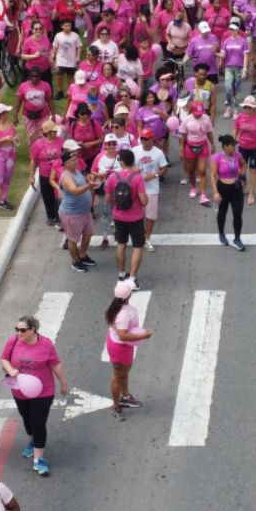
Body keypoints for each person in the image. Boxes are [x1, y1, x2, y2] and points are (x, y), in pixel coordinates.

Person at [0, 315, 69, 477]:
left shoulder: (45, 344)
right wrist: (11, 371)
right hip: (20, 390)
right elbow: (4, 359)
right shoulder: (14, 341)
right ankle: (33, 440)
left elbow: (55, 363)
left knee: (38, 423)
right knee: (28, 420)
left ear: (33, 329)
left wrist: (63, 382)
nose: (19, 332)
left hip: (43, 391)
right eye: (17, 329)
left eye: (23, 330)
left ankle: (39, 460)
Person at [104, 278, 153, 421]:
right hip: (120, 347)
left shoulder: (116, 304)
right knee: (118, 376)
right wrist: (144, 335)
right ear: (128, 295)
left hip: (121, 345)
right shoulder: (124, 313)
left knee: (124, 373)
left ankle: (125, 397)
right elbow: (123, 335)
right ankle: (116, 405)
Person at [106, 148, 149, 284]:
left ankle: (121, 274)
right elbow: (144, 201)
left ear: (122, 162)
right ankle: (132, 278)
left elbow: (107, 198)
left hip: (118, 217)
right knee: (137, 246)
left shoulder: (113, 177)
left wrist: (116, 203)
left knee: (121, 244)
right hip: (135, 218)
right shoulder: (137, 178)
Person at [58, 145, 101, 273]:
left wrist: (89, 181)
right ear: (65, 163)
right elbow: (75, 190)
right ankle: (75, 261)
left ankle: (82, 255)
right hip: (72, 214)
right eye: (72, 160)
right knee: (73, 239)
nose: (76, 161)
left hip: (84, 212)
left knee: (88, 234)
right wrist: (89, 186)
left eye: (76, 159)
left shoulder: (76, 172)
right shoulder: (66, 177)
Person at [132, 128, 169, 252]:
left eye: (146, 139)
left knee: (150, 216)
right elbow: (129, 166)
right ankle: (138, 237)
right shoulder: (135, 151)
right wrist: (134, 171)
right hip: (137, 188)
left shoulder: (158, 153)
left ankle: (147, 238)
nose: (144, 141)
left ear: (152, 139)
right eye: (142, 138)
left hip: (152, 188)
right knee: (136, 214)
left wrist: (155, 175)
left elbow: (164, 168)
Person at [210, 134, 247, 250]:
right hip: (222, 188)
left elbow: (244, 164)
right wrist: (215, 192)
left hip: (236, 188)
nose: (234, 148)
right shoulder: (217, 157)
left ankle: (237, 238)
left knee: (237, 213)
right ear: (225, 146)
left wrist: (241, 174)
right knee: (222, 212)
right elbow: (212, 175)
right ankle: (221, 233)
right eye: (232, 145)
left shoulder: (237, 155)